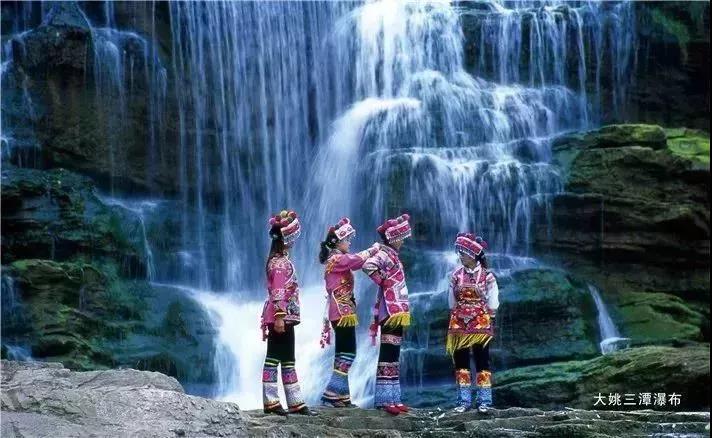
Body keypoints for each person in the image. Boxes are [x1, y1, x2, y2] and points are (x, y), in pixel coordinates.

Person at [318, 217, 381, 407]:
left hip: (341, 311)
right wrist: (374, 249)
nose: (349, 243)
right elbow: (356, 261)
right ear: (337, 242)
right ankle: (332, 392)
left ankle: (343, 397)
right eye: (347, 240)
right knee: (349, 352)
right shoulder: (337, 259)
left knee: (341, 354)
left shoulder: (335, 259)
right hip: (341, 311)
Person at [260, 210, 316, 416]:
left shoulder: (280, 260)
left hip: (286, 317)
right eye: (291, 238)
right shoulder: (279, 263)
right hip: (280, 317)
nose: (293, 242)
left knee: (288, 358)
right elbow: (278, 290)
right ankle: (271, 402)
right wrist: (280, 316)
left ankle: (295, 402)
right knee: (273, 357)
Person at [362, 213, 412, 416]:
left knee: (394, 353)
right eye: (400, 238)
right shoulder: (385, 254)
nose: (402, 242)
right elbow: (368, 266)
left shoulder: (393, 255)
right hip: (389, 310)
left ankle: (394, 397)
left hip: (397, 310)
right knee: (388, 352)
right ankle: (384, 400)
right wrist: (384, 280)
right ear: (393, 238)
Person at [446, 233, 499, 413]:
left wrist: (490, 315)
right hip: (459, 322)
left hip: (480, 322)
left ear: (473, 255)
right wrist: (456, 313)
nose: (460, 256)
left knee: (482, 360)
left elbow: (493, 299)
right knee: (461, 361)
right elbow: (451, 300)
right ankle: (463, 401)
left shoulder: (487, 276)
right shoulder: (455, 276)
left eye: (463, 253)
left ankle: (484, 401)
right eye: (460, 253)